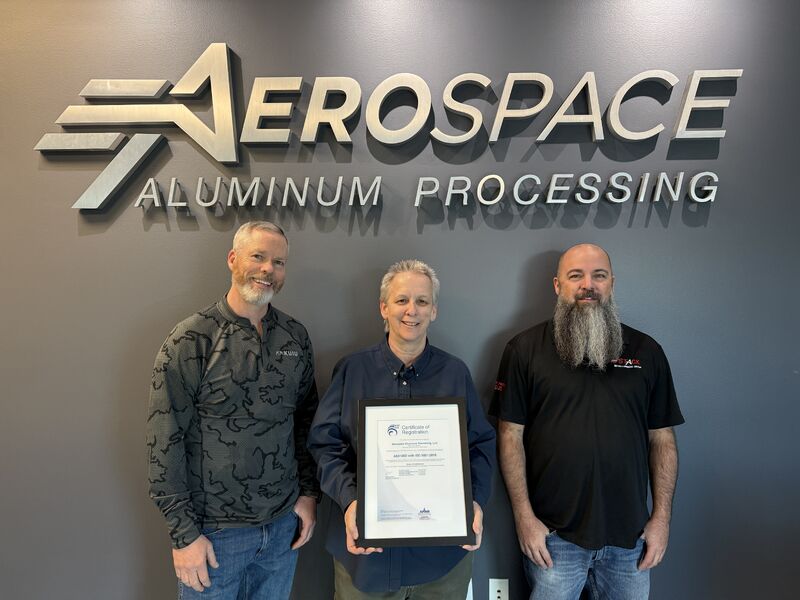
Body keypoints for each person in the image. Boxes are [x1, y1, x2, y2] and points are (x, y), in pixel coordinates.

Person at [493, 243, 684, 600]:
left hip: (630, 541)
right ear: (557, 285)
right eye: (575, 275)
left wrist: (661, 519)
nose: (588, 285)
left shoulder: (646, 351)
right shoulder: (524, 350)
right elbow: (509, 435)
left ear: (612, 283)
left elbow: (663, 439)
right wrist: (524, 518)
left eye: (599, 275)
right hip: (553, 539)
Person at [146, 221, 319, 599]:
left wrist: (308, 495)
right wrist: (183, 534)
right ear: (232, 259)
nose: (268, 269)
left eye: (278, 262)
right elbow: (163, 440)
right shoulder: (191, 339)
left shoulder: (295, 337)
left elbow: (306, 421)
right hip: (214, 535)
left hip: (281, 530)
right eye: (258, 256)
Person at [308, 259, 496, 599]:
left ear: (434, 310)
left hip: (441, 561)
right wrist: (351, 501)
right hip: (364, 559)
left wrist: (476, 502)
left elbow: (480, 445)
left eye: (422, 301)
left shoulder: (455, 373)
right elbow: (325, 445)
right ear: (384, 307)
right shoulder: (352, 370)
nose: (412, 310)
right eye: (401, 300)